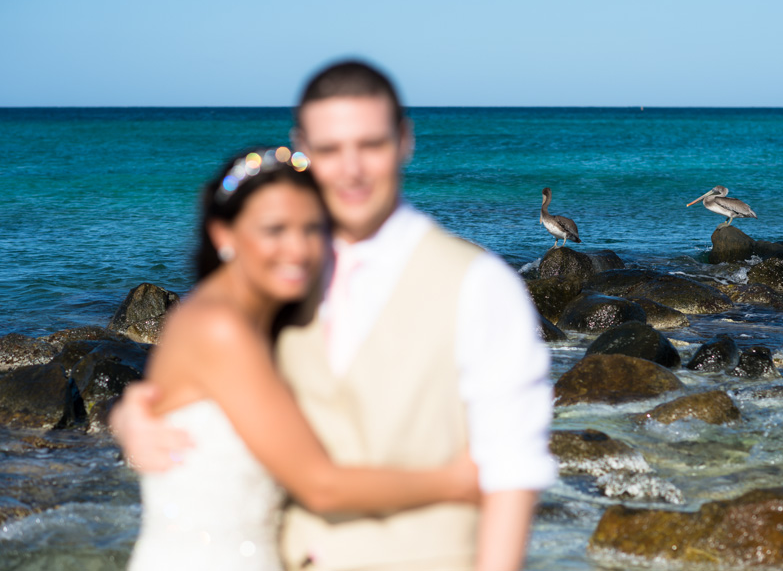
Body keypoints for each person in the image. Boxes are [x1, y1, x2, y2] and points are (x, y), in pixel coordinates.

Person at [113, 61, 555, 571]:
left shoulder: (480, 283)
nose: (351, 169)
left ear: (405, 140)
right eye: (329, 149)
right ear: (301, 146)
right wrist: (133, 419)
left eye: (371, 145)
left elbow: (512, 471)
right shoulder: (279, 281)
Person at [124, 148, 480, 571]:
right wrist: (459, 479)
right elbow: (319, 485)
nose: (297, 249)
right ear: (224, 235)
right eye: (275, 230)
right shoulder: (221, 327)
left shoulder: (258, 322)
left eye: (312, 228)